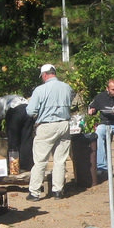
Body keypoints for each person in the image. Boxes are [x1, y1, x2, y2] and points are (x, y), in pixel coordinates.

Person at [26, 63, 73, 200]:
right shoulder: (67, 88)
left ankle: (34, 192)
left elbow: (30, 111)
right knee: (60, 160)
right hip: (64, 124)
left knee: (40, 160)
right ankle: (58, 190)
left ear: (44, 75)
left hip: (46, 125)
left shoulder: (40, 90)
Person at [0, 93, 33, 174]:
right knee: (26, 140)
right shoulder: (12, 97)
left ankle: (14, 168)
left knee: (13, 141)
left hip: (15, 111)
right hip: (28, 111)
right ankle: (26, 166)